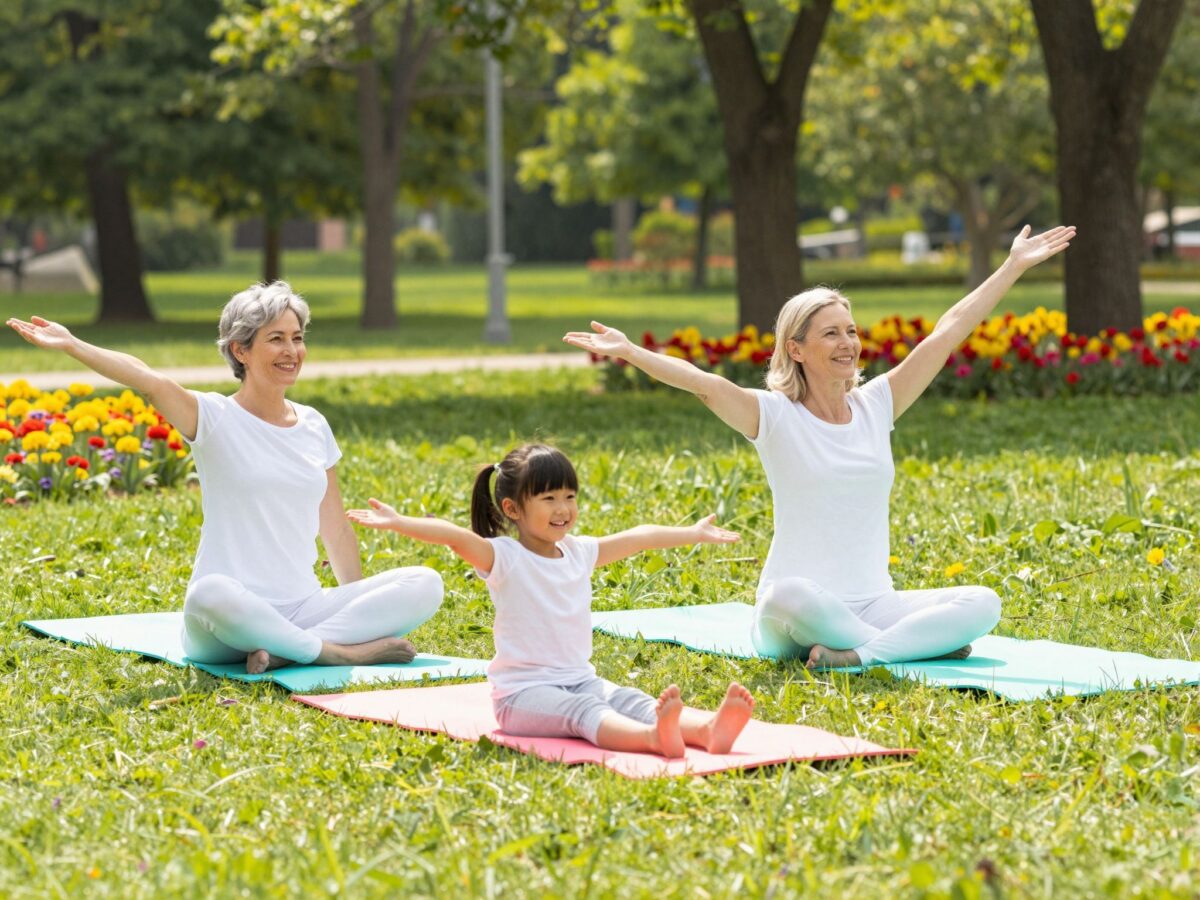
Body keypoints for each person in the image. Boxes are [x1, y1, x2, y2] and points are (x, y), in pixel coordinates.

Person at [564, 225, 1076, 668]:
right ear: (796, 349)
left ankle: (861, 654)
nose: (848, 343)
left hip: (872, 604)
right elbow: (704, 384)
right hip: (794, 613)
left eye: (851, 331)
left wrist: (1011, 266)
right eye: (831, 333)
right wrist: (630, 352)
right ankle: (909, 648)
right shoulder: (774, 415)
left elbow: (946, 334)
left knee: (982, 602)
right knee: (790, 594)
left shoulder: (878, 404)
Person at [7, 282, 442, 673]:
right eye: (276, 339)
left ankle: (292, 650)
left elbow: (336, 528)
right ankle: (336, 653)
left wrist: (358, 605)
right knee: (208, 593)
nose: (292, 351)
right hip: (225, 622)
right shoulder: (213, 417)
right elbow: (147, 379)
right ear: (240, 350)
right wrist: (72, 345)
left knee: (426, 582)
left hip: (303, 606)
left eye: (297, 338)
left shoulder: (314, 424)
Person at [347, 443, 755, 759]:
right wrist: (400, 522)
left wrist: (692, 532)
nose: (563, 509)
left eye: (569, 497)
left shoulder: (578, 552)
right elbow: (454, 535)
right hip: (522, 697)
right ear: (513, 509)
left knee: (630, 699)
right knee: (584, 715)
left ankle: (707, 730)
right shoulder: (504, 558)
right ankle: (652, 739)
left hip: (580, 678)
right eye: (548, 499)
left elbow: (640, 536)